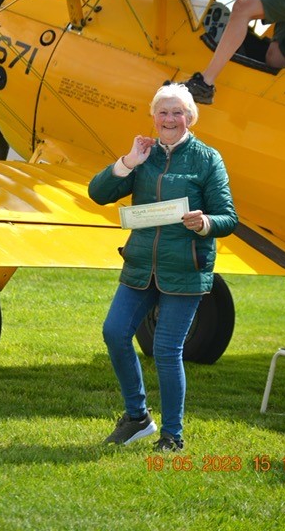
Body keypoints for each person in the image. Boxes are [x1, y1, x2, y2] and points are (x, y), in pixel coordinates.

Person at [88, 83, 238, 451]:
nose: (170, 119)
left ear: (190, 117)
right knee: (114, 332)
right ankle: (138, 418)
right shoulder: (145, 155)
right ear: (153, 117)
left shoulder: (207, 159)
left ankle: (172, 435)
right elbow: (98, 193)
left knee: (167, 350)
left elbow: (228, 217)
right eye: (163, 112)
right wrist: (128, 162)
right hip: (141, 265)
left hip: (185, 269)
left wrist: (204, 223)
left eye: (177, 113)